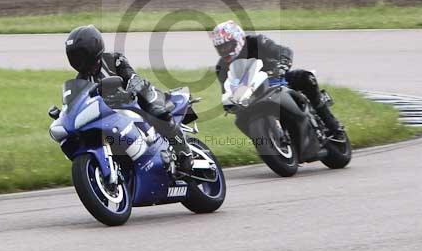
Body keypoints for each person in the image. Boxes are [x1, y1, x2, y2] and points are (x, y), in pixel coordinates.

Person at [64, 25, 194, 173]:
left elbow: (131, 76)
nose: (78, 60)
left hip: (136, 98)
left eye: (81, 55)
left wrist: (130, 88)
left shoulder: (113, 60)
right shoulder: (81, 80)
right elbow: (81, 102)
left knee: (157, 111)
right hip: (114, 114)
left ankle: (184, 152)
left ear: (94, 48)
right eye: (74, 57)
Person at [210, 20, 344, 138]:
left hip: (278, 80)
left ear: (238, 39)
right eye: (220, 48)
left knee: (306, 78)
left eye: (227, 46)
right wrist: (229, 103)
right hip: (252, 95)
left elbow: (283, 50)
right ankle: (265, 141)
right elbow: (227, 89)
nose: (224, 51)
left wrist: (283, 63)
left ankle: (332, 124)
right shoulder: (221, 67)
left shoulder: (256, 42)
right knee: (240, 120)